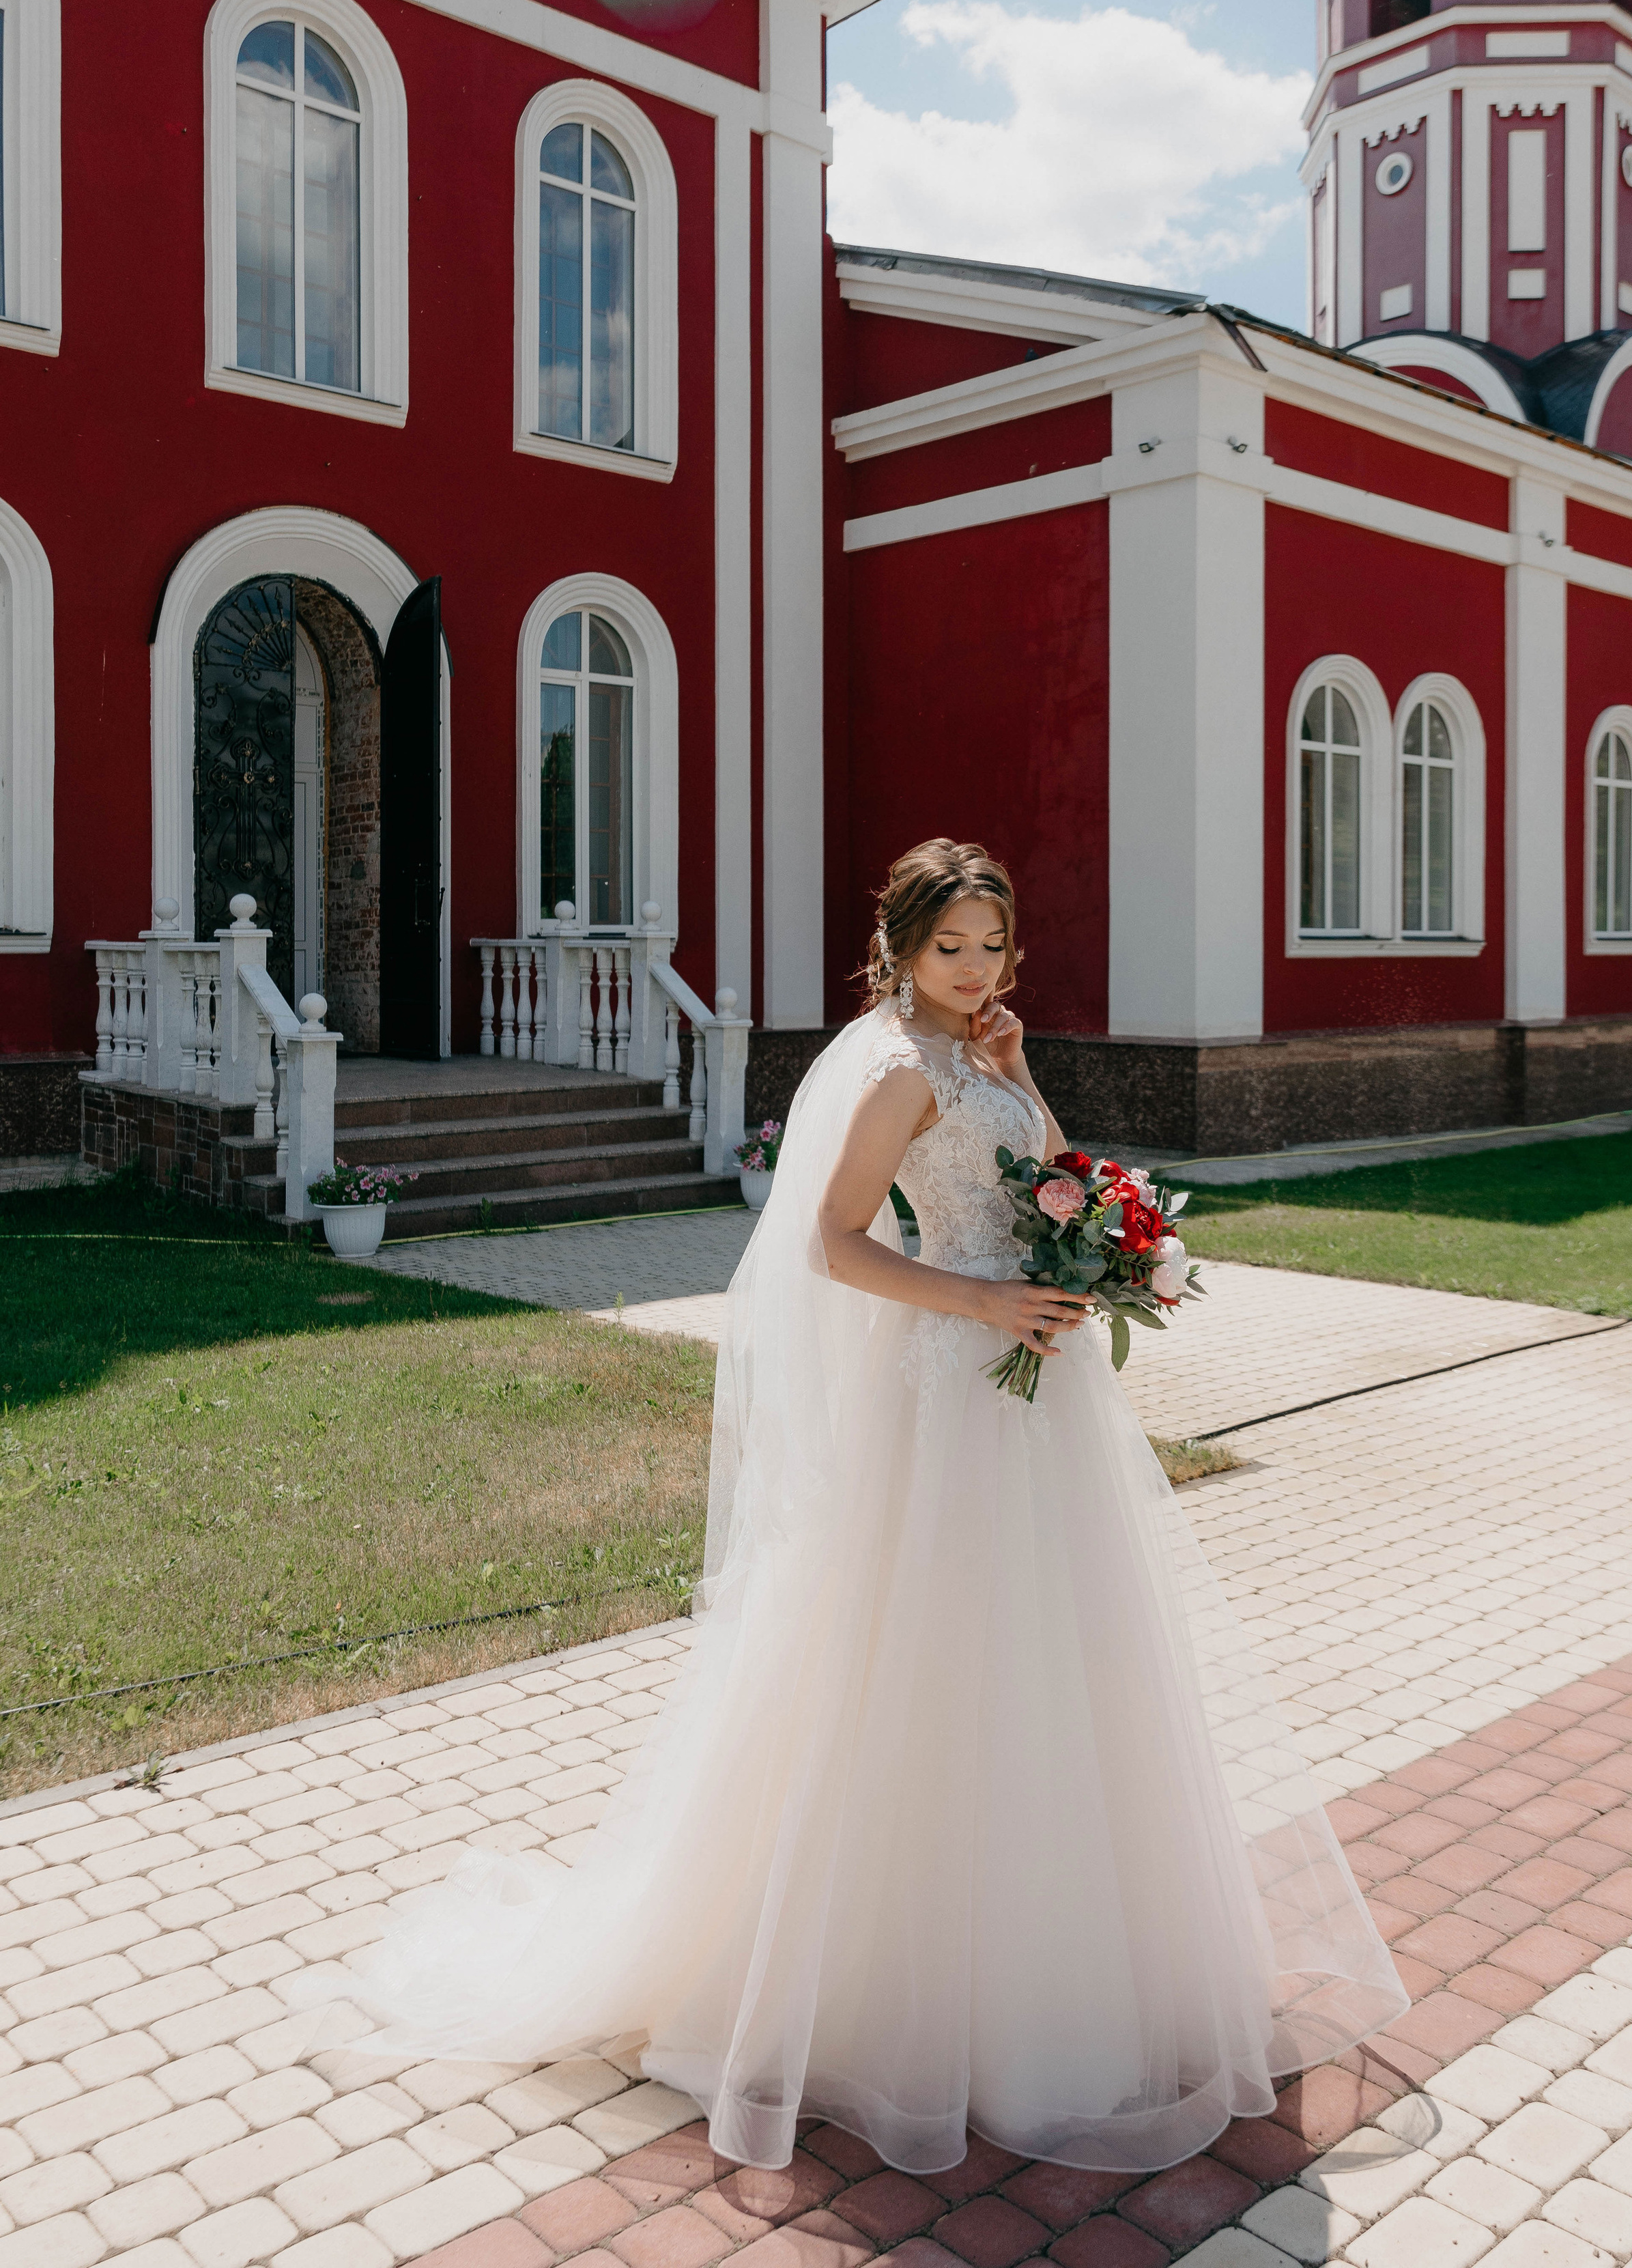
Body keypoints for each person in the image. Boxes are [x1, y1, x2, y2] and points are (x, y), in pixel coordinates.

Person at [301, 839, 1406, 2174]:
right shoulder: (886, 1069)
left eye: (994, 947)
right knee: (918, 1664)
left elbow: (1053, 1170)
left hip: (1035, 1399)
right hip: (948, 1385)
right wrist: (987, 1301)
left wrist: (1019, 1083)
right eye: (952, 950)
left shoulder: (972, 1056)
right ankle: (887, 1990)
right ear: (897, 949)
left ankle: (1061, 1967)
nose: (976, 970)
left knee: (1055, 1663)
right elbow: (830, 1240)